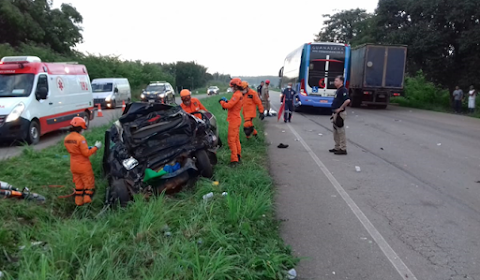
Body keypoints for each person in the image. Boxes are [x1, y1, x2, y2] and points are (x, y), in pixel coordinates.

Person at [64, 117, 102, 206]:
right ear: (80, 128)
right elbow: (86, 153)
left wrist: (87, 148)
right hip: (83, 165)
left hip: (73, 165)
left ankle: (78, 202)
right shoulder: (81, 139)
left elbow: (75, 150)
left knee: (78, 184)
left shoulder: (67, 138)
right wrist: (96, 147)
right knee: (88, 182)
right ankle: (88, 201)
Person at [219, 78, 244, 166]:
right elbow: (232, 104)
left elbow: (229, 106)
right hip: (236, 119)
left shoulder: (236, 95)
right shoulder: (238, 94)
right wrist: (227, 101)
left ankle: (234, 160)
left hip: (234, 120)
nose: (231, 88)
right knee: (236, 139)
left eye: (232, 86)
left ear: (236, 86)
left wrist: (222, 102)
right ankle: (238, 155)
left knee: (231, 140)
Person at [329, 76, 350, 155]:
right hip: (335, 113)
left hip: (339, 114)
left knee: (340, 131)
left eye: (336, 80)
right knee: (336, 131)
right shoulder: (338, 90)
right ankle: (337, 147)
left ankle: (343, 148)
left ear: (341, 82)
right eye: (335, 80)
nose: (335, 82)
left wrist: (340, 108)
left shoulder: (343, 90)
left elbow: (347, 100)